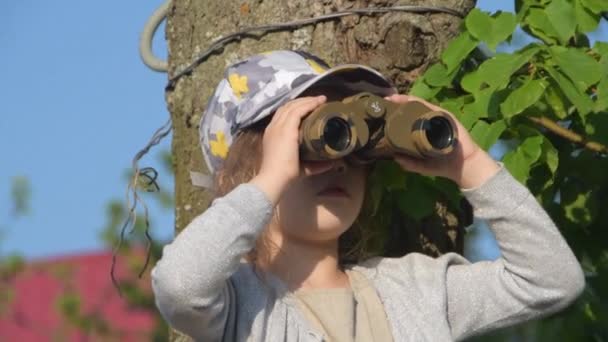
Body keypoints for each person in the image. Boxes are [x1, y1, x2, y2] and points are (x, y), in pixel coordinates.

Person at [151, 50, 585, 341]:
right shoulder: (239, 306)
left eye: (350, 143)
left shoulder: (416, 290)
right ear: (245, 172)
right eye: (313, 144)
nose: (337, 162)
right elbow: (180, 285)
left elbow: (550, 280)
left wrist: (469, 163)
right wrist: (268, 181)